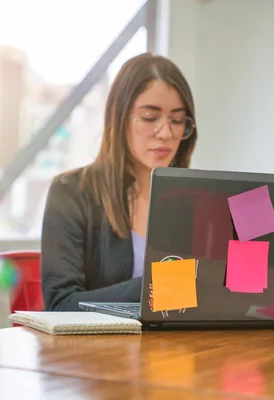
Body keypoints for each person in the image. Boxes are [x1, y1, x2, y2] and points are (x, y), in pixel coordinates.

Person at [40, 53, 198, 311]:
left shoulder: (196, 198)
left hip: (177, 349)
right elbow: (60, 303)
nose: (167, 132)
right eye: (149, 117)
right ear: (119, 118)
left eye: (178, 120)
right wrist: (159, 287)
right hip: (100, 350)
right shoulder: (70, 192)